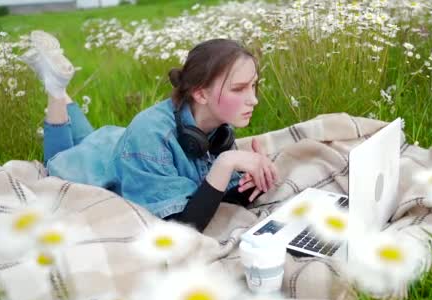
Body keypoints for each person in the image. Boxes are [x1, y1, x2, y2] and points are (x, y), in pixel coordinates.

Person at [20, 31, 278, 232]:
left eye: (253, 85)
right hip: (89, 166)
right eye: (239, 88)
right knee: (56, 161)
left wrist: (253, 182)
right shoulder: (151, 135)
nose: (253, 99)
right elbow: (184, 227)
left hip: (111, 142)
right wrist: (226, 162)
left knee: (87, 139)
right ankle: (55, 89)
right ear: (200, 93)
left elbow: (214, 197)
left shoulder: (217, 126)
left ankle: (54, 83)